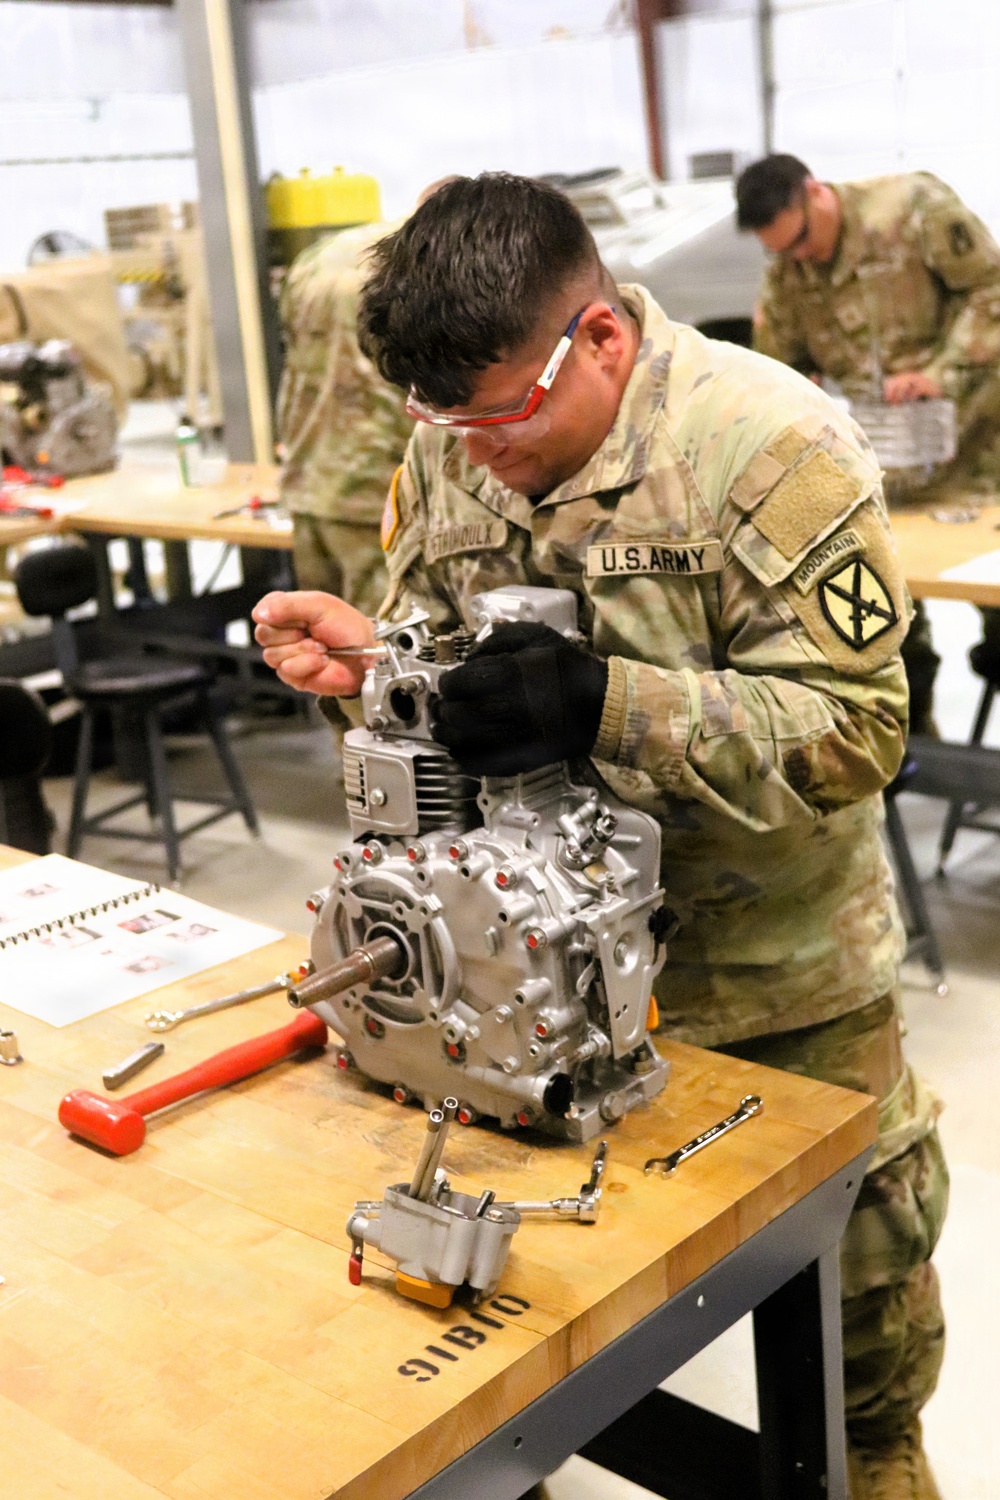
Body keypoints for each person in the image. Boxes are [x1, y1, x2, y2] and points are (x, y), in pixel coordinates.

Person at [254, 173, 948, 1499]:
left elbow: (860, 730)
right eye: (438, 415)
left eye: (501, 411)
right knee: (548, 1325)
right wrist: (387, 666)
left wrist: (607, 702)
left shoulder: (769, 445)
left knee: (856, 1332)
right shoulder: (454, 437)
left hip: (773, 983)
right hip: (539, 991)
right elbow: (451, 650)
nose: (475, 446)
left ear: (606, 338)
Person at [735, 152, 1000, 733]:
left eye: (801, 238)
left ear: (817, 193)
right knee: (889, 620)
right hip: (882, 472)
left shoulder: (911, 208)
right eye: (781, 251)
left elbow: (992, 290)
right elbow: (774, 365)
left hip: (979, 450)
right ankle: (914, 738)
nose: (798, 257)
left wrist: (944, 370)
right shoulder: (789, 269)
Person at [276, 219, 414, 611]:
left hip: (309, 477)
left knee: (319, 640)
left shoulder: (316, 259)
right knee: (377, 646)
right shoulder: (405, 263)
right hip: (372, 485)